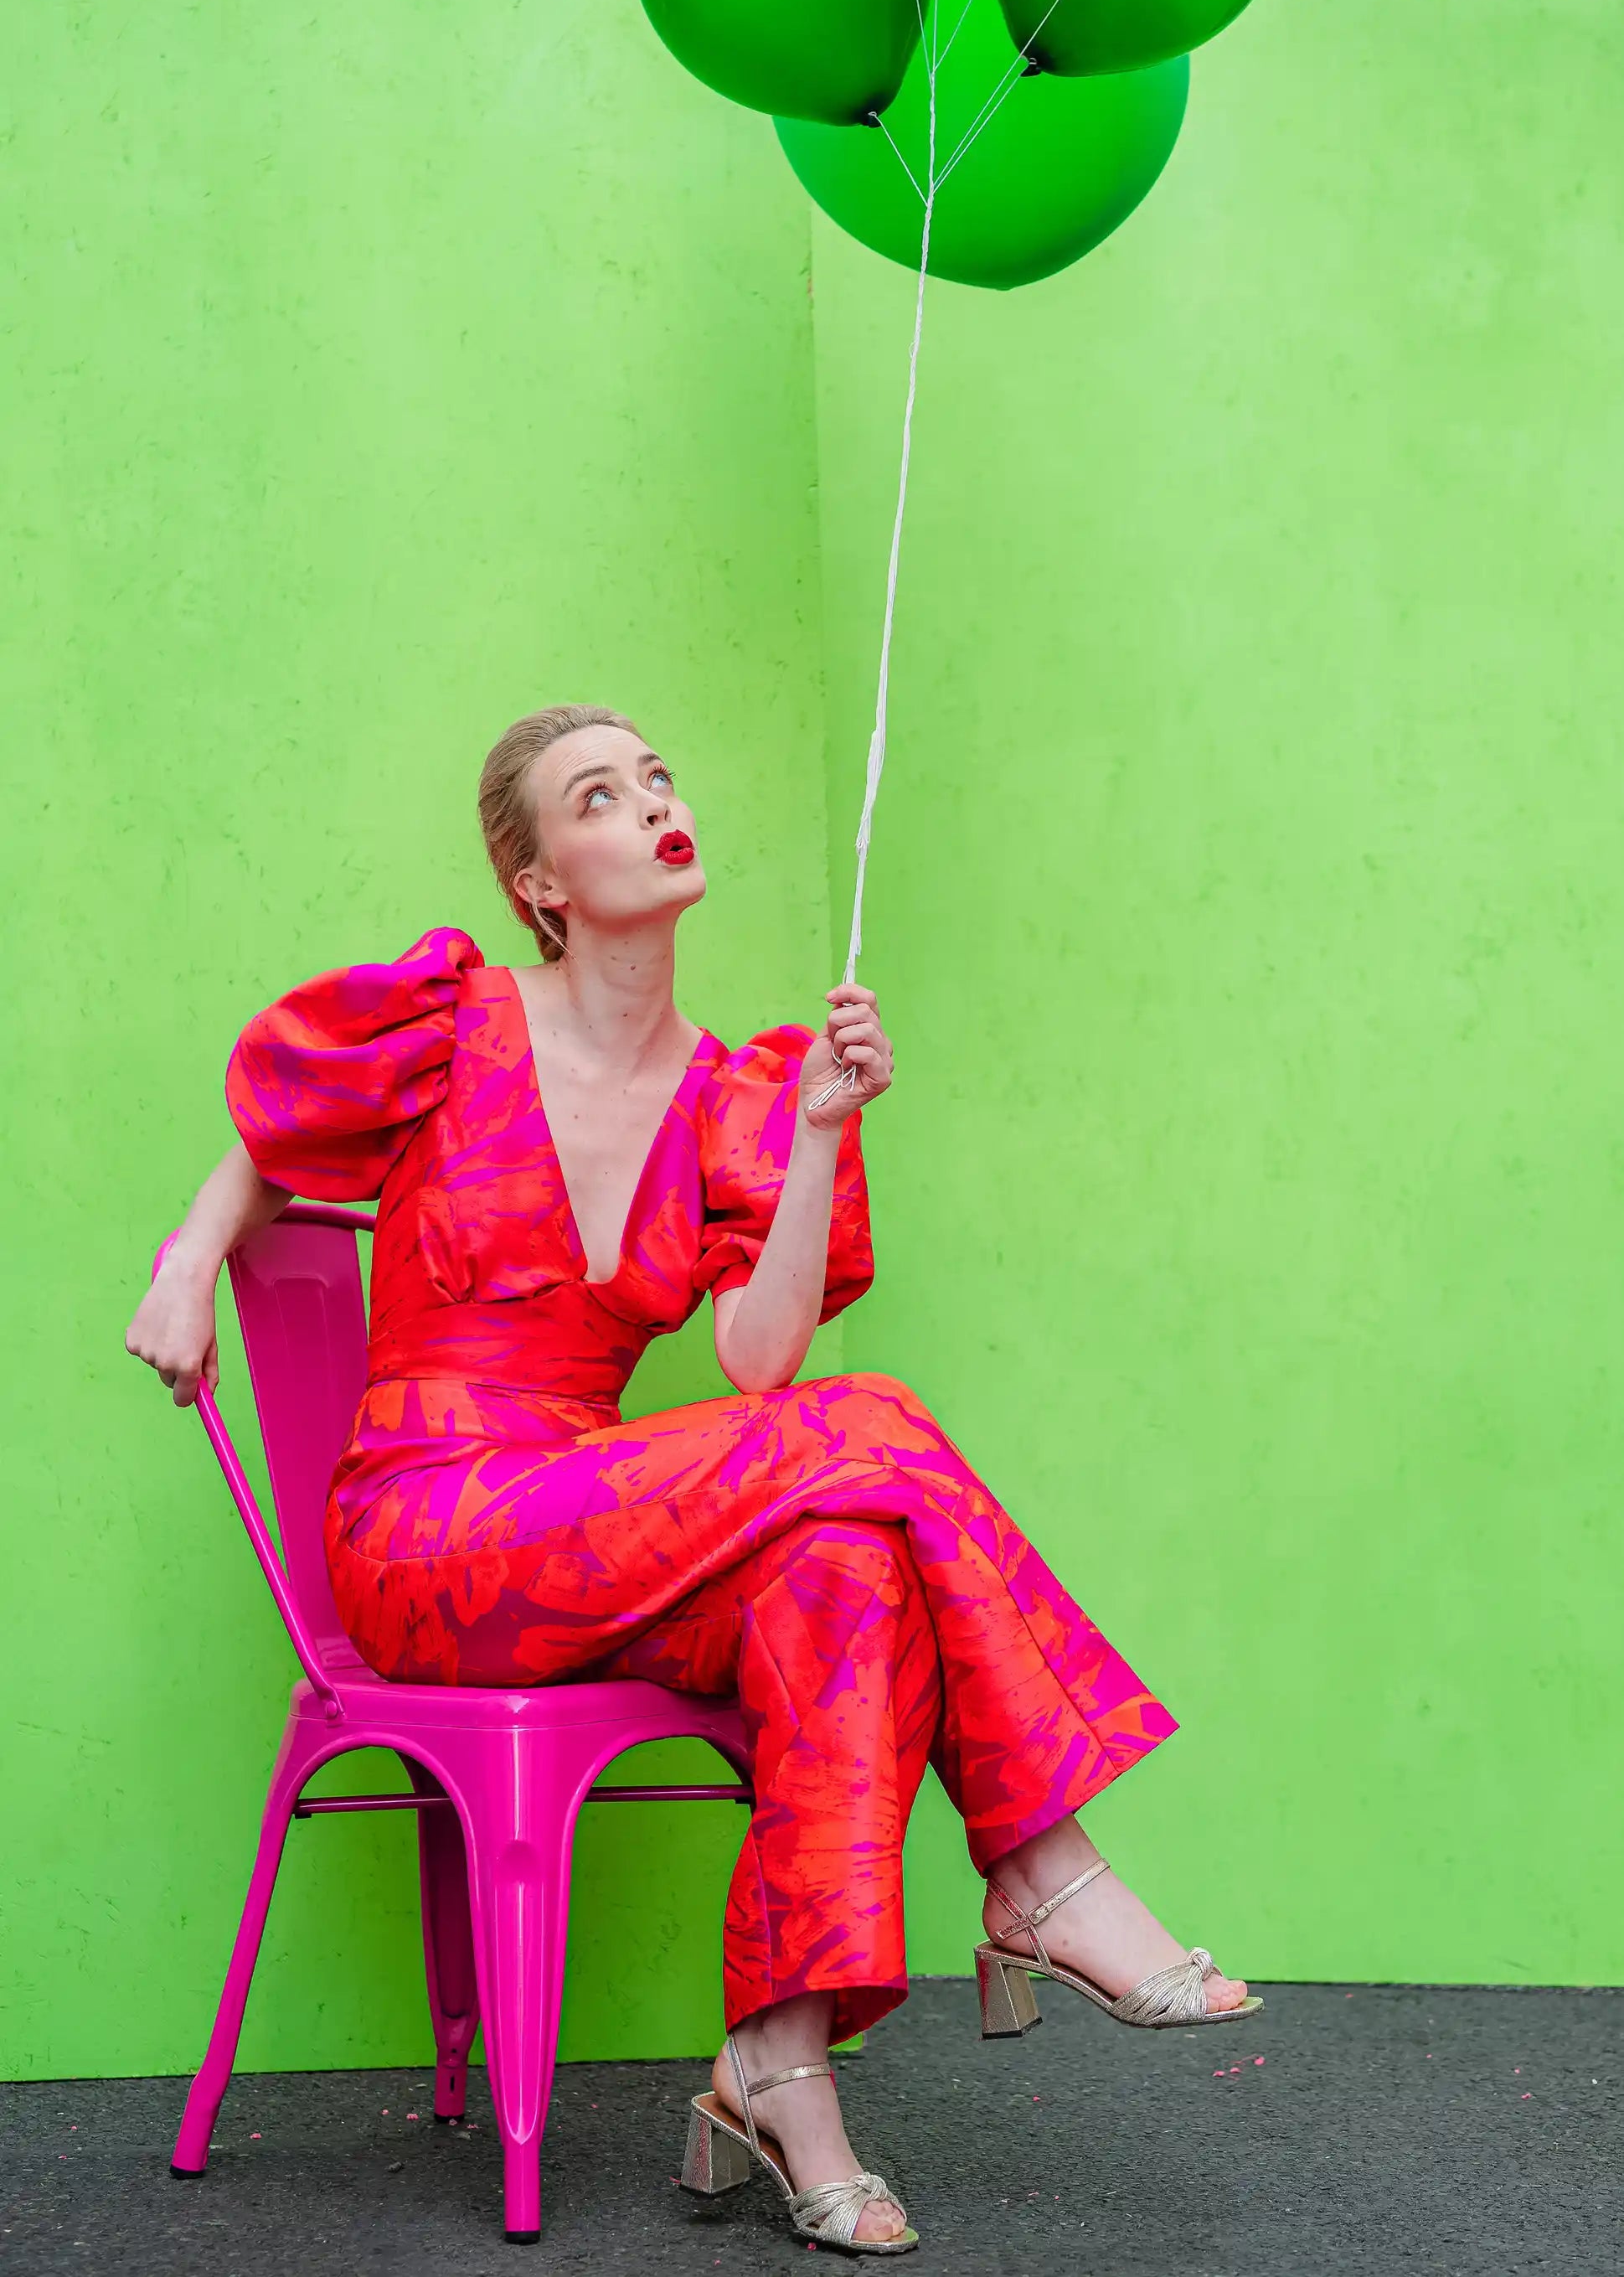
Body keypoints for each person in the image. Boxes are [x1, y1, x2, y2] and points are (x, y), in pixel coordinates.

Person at [127, 703, 1256, 2256]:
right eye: (599, 795)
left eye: (656, 776)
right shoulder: (455, 1018)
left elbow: (758, 1362)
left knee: (842, 1572)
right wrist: (189, 1260)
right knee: (877, 1424)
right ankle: (1040, 1866)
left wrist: (819, 1136)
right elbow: (280, 1132)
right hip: (426, 1533)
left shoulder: (737, 1091)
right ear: (538, 880)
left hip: (596, 1528)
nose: (653, 802)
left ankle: (780, 2074)